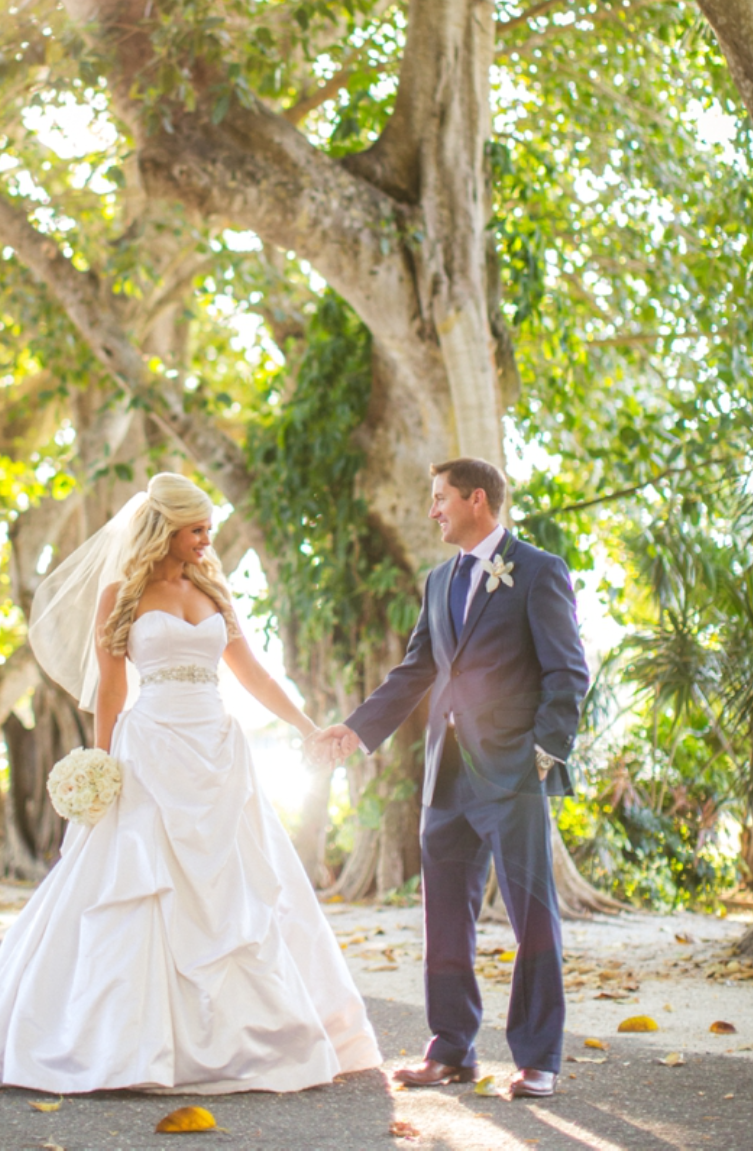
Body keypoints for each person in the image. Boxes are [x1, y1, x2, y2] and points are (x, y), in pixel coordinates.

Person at [0, 472, 381, 1096]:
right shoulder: (119, 593)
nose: (207, 540)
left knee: (240, 890)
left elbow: (251, 673)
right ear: (165, 529)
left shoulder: (213, 591)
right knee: (137, 888)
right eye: (197, 530)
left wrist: (309, 727)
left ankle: (252, 1041)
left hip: (219, 753)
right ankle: (123, 1045)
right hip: (149, 751)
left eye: (210, 530)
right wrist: (100, 765)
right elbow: (113, 688)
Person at [308, 457, 589, 1101]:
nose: (432, 509)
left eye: (440, 498)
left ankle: (539, 1054)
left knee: (533, 918)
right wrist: (354, 731)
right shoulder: (437, 582)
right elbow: (414, 671)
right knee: (444, 918)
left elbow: (567, 673)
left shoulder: (540, 571)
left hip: (513, 774)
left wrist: (542, 757)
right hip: (446, 774)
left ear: (477, 500)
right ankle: (452, 1048)